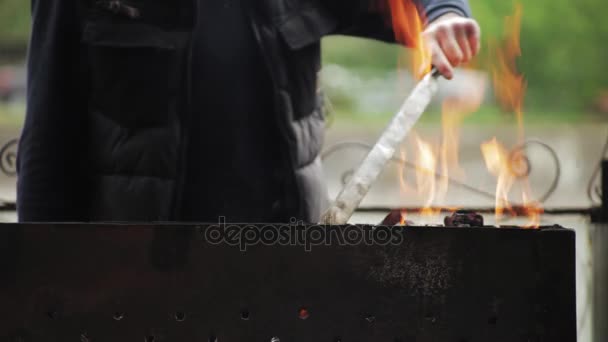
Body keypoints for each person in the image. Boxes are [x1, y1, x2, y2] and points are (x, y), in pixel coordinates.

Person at [17, 0, 480, 223]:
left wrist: (440, 13)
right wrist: (42, 289)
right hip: (136, 274)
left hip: (280, 262)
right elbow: (46, 136)